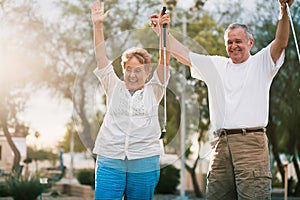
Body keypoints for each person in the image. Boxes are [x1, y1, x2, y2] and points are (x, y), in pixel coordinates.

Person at [150, 0, 293, 199]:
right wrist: (162, 32)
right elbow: (183, 54)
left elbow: (281, 42)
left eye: (238, 41)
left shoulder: (261, 62)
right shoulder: (217, 65)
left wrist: (283, 10)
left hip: (251, 144)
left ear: (250, 43)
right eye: (230, 42)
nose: (234, 46)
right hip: (220, 144)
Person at [90, 1, 170, 199]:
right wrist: (98, 26)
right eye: (128, 70)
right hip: (110, 160)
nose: (132, 75)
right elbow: (101, 56)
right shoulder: (113, 86)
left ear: (147, 72)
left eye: (138, 70)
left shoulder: (155, 90)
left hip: (144, 162)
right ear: (123, 70)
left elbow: (165, 59)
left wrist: (164, 33)